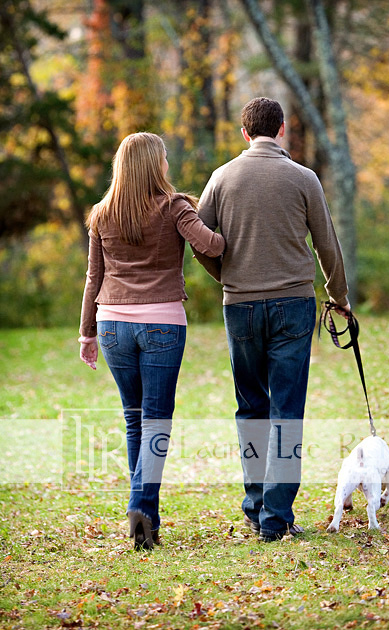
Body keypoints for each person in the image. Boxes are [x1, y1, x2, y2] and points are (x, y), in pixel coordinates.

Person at [194, 97, 350, 542]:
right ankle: (276, 518)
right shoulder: (304, 178)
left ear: (245, 133)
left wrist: (227, 277)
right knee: (286, 409)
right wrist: (339, 297)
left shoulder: (221, 178)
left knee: (250, 406)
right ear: (281, 129)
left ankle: (256, 504)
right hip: (293, 306)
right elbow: (327, 245)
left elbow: (200, 241)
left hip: (239, 306)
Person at [78, 132, 225, 550]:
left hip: (111, 326)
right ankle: (140, 509)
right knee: (155, 421)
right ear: (153, 164)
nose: (166, 164)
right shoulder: (175, 206)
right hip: (161, 323)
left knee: (135, 419)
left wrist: (87, 332)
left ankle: (147, 521)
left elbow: (94, 278)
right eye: (162, 157)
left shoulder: (102, 213)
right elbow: (211, 245)